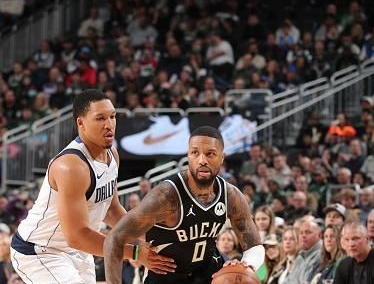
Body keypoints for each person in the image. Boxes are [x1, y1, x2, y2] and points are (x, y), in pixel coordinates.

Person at [10, 90, 171, 283]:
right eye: (100, 118)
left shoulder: (112, 154)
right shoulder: (71, 166)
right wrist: (135, 252)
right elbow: (77, 236)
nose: (109, 124)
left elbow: (111, 211)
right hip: (41, 250)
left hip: (78, 249)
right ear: (81, 123)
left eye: (112, 117)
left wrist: (153, 236)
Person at [104, 126, 265, 284]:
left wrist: (246, 265)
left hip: (209, 273)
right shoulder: (165, 197)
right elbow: (114, 239)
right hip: (166, 277)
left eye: (210, 154)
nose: (202, 160)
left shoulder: (231, 196)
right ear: (188, 155)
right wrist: (137, 252)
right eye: (195, 153)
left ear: (222, 157)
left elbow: (254, 246)